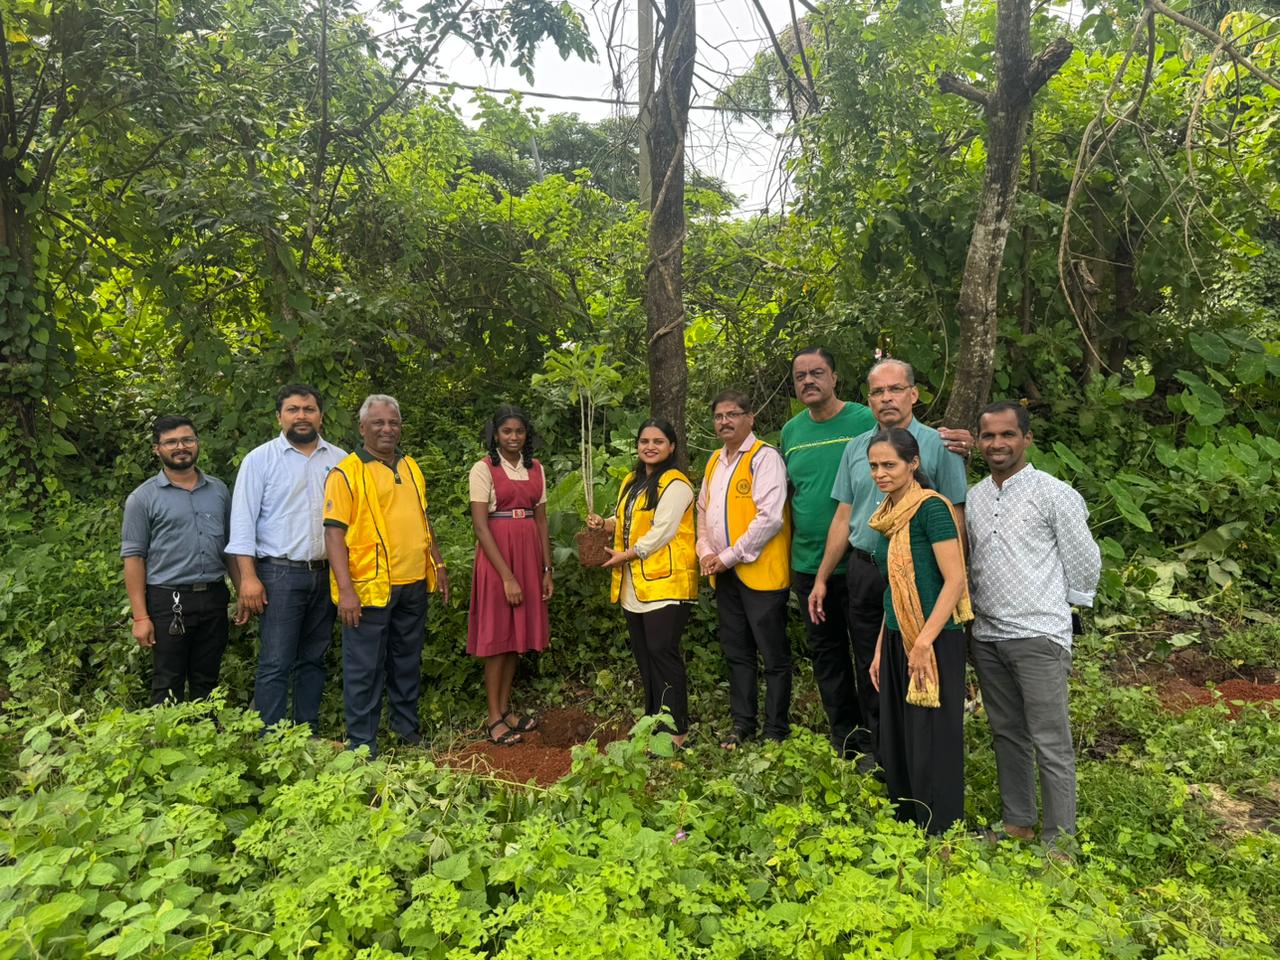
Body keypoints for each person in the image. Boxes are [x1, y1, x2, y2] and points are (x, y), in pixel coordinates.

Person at [808, 358, 970, 764]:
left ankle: (924, 753)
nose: (887, 398)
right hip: (866, 569)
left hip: (921, 573)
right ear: (869, 400)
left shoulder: (938, 445)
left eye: (895, 389)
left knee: (920, 655)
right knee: (873, 664)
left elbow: (956, 515)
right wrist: (823, 577)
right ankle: (885, 756)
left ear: (913, 394)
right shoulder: (856, 448)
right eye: (878, 392)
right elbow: (844, 517)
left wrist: (959, 582)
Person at [968, 402, 1101, 849]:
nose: (997, 444)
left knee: (1051, 742)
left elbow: (1084, 558)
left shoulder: (1052, 492)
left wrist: (1067, 610)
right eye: (989, 436)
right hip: (987, 636)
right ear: (979, 442)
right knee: (1007, 733)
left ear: (1026, 438)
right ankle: (1018, 822)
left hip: (1039, 635)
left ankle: (1060, 843)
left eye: (1007, 435)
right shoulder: (976, 496)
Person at [323, 394, 448, 757]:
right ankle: (363, 744)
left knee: (406, 661)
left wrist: (438, 565)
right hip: (369, 590)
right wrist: (345, 590)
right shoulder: (346, 472)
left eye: (392, 422)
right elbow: (333, 533)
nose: (387, 429)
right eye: (378, 423)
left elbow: (423, 520)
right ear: (362, 428)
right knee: (364, 670)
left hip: (412, 585)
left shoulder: (410, 466)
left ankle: (405, 731)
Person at [864, 427, 972, 835]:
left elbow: (955, 579)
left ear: (913, 464)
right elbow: (894, 587)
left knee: (932, 735)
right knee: (898, 734)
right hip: (896, 635)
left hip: (934, 636)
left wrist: (925, 641)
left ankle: (940, 827)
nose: (880, 473)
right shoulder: (888, 514)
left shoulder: (931, 509)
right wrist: (879, 647)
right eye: (874, 465)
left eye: (889, 464)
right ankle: (907, 821)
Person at [228, 384, 347, 733]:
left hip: (326, 574)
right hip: (278, 574)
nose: (301, 416)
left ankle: (306, 732)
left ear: (320, 416)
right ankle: (270, 738)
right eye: (293, 409)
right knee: (276, 661)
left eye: (308, 409)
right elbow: (242, 523)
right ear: (279, 417)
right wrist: (247, 578)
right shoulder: (259, 460)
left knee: (313, 659)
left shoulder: (340, 461)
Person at [588, 419, 698, 747]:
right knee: (644, 655)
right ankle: (654, 720)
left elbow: (662, 530)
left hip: (667, 585)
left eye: (658, 441)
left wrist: (628, 554)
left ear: (672, 447)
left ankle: (676, 731)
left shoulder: (676, 485)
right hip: (634, 586)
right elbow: (624, 520)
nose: (650, 446)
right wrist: (604, 524)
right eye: (644, 441)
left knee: (663, 654)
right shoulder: (631, 482)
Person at [122, 415, 243, 704]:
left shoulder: (218, 490)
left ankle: (207, 738)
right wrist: (140, 617)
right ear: (157, 449)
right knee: (168, 679)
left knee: (208, 677)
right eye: (171, 442)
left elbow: (230, 547)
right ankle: (166, 742)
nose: (181, 446)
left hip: (214, 596)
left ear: (197, 443)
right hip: (168, 599)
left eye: (187, 439)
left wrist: (241, 593)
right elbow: (133, 558)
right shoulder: (142, 498)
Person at [696, 390, 791, 748]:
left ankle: (776, 730)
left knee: (773, 655)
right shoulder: (714, 462)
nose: (725, 421)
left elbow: (770, 519)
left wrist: (728, 556)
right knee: (737, 653)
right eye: (719, 416)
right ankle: (743, 724)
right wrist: (706, 551)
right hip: (725, 574)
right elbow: (703, 511)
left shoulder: (764, 458)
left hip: (762, 573)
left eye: (733, 414)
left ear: (750, 417)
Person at [467, 405, 553, 746]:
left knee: (516, 639)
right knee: (498, 639)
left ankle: (506, 711)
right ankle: (492, 718)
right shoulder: (484, 469)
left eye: (519, 432)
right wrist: (507, 576)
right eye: (507, 432)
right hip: (498, 560)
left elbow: (542, 521)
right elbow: (480, 526)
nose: (513, 437)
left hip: (529, 558)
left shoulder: (536, 469)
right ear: (496, 435)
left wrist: (546, 570)